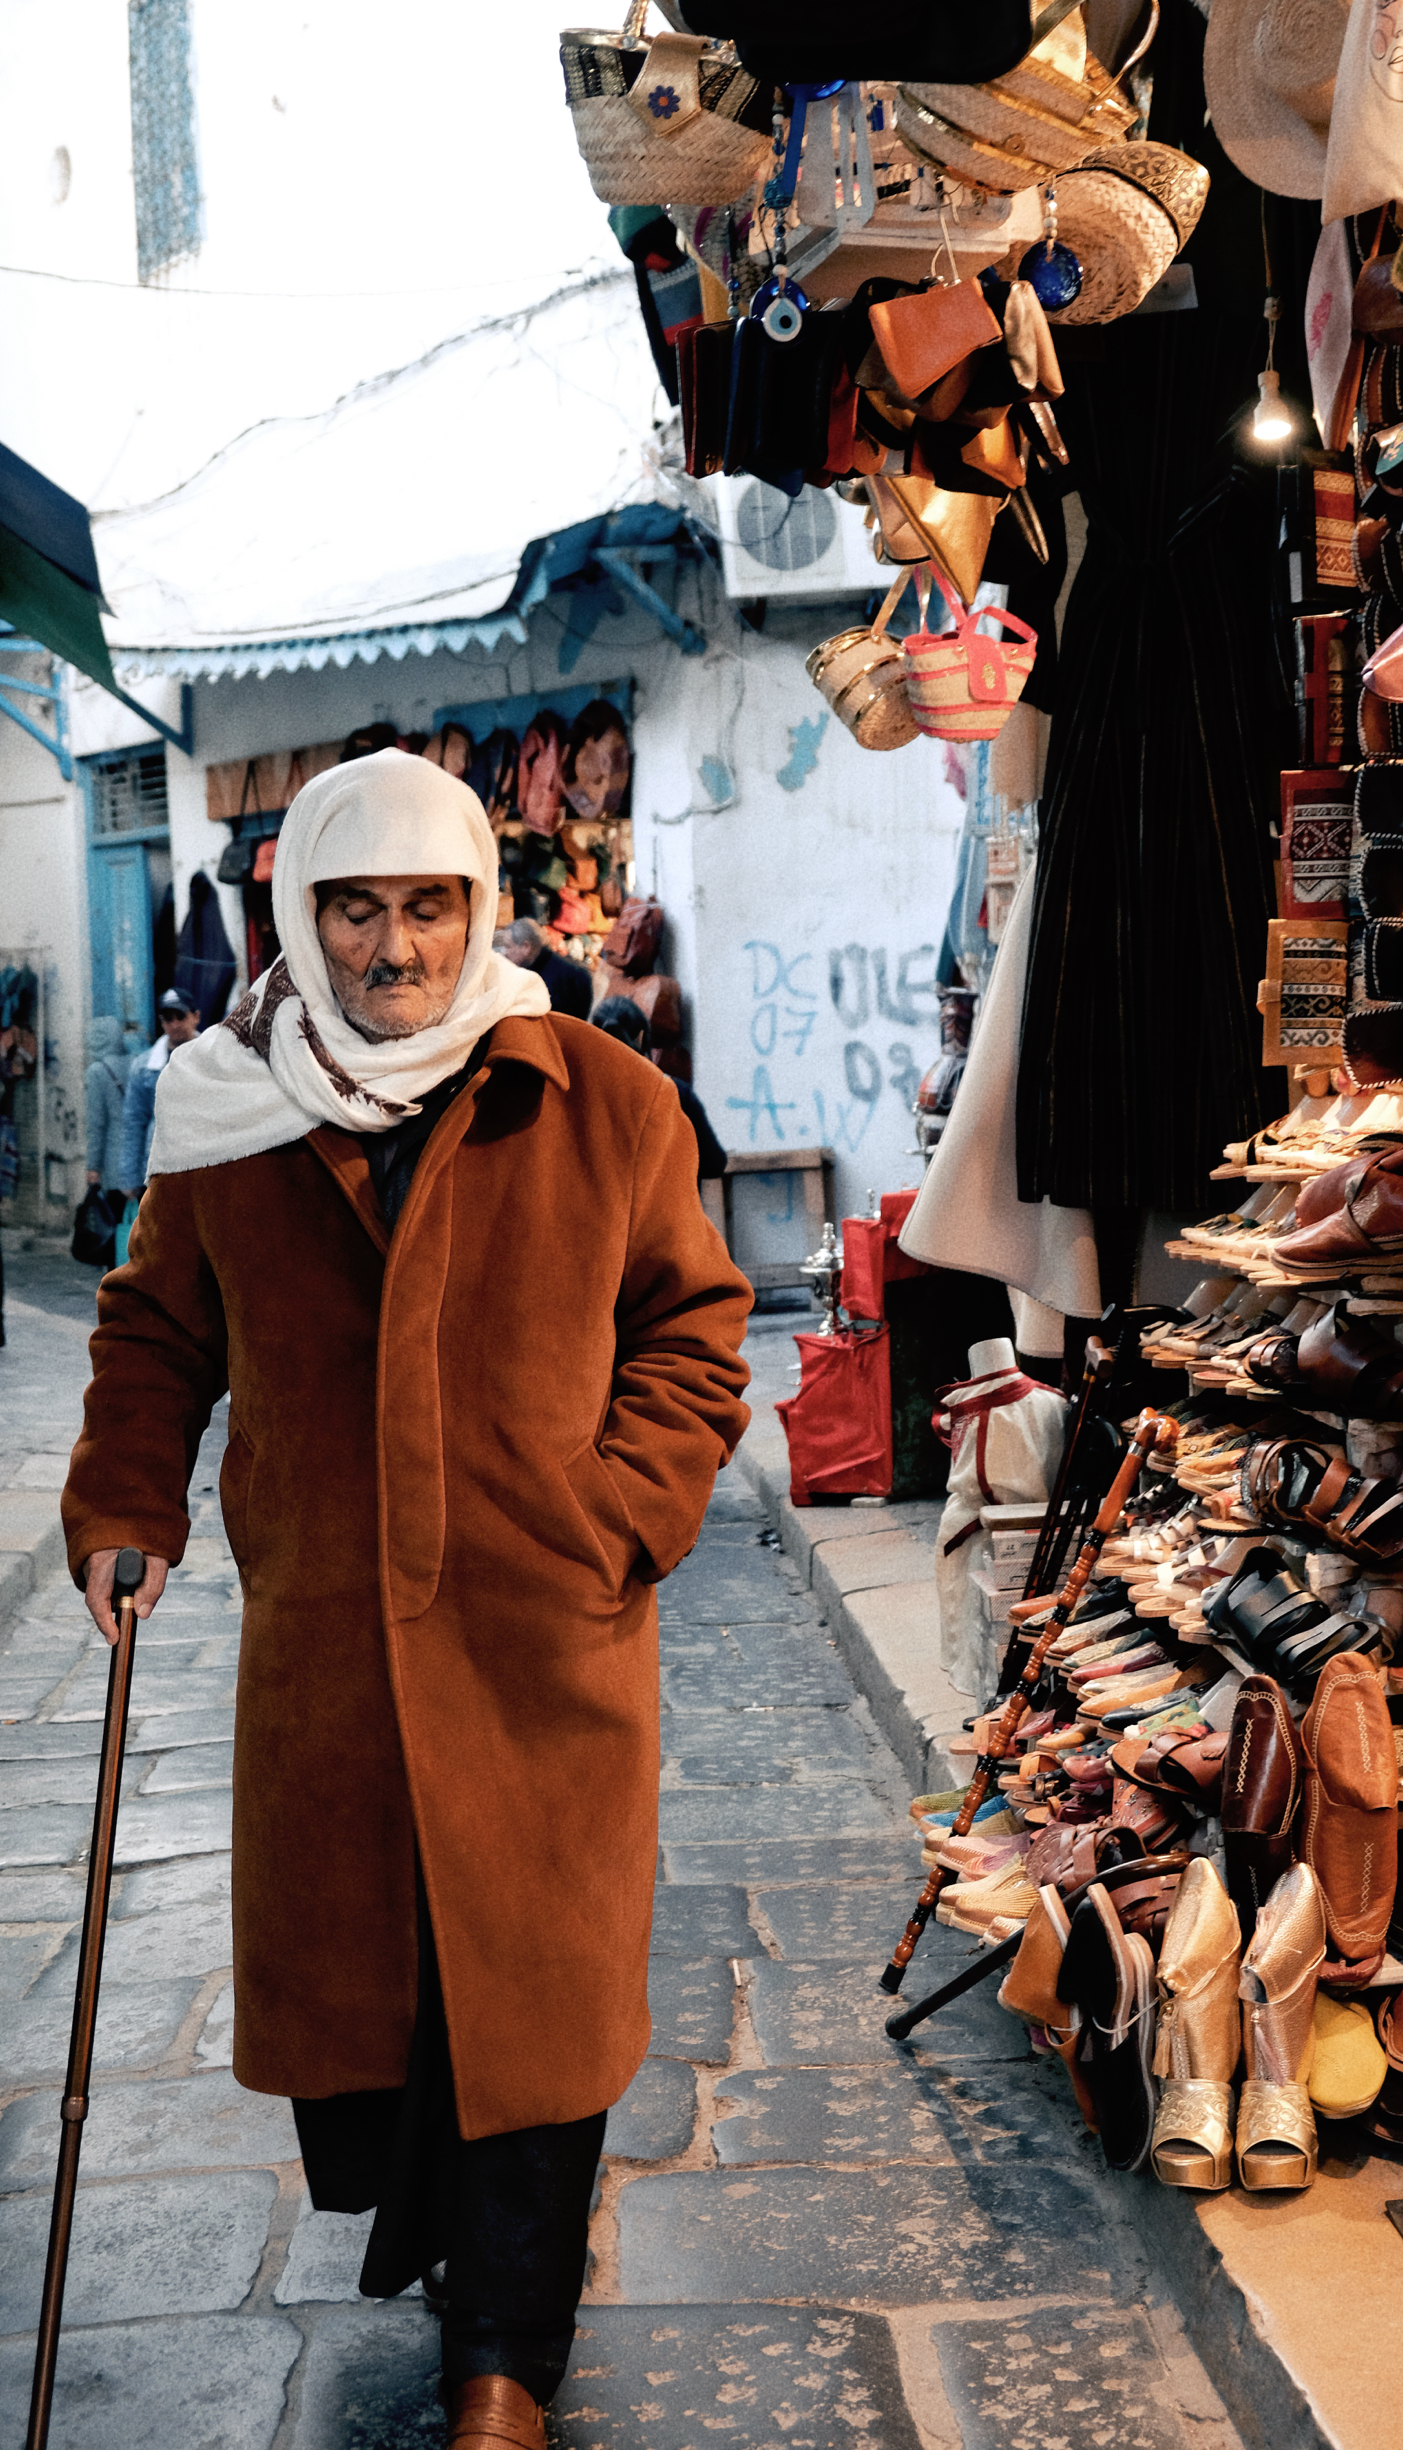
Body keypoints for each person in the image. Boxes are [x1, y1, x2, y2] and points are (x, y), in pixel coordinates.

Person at [61, 751, 751, 2449]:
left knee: (532, 1996)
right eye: (355, 908)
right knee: (385, 2020)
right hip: (335, 1649)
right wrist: (124, 1501)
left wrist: (617, 1515)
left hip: (542, 1636)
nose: (392, 947)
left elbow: (693, 1329)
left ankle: (506, 2352)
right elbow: (158, 1333)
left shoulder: (597, 1102)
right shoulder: (228, 1116)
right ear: (296, 921)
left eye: (425, 906)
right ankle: (457, 2269)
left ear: (478, 910)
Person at [590, 995, 727, 1184]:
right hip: (669, 1209)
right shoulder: (676, 1093)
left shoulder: (582, 1100)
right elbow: (714, 1163)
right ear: (641, 1037)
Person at [116, 986, 200, 1196]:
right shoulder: (144, 1067)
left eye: (180, 1016)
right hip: (161, 1167)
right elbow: (134, 1122)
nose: (174, 1024)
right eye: (167, 1019)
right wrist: (129, 1178)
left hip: (203, 1164)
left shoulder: (212, 1058)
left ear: (196, 1017)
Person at [497, 915, 592, 1020]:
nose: (504, 953)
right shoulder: (565, 969)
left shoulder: (547, 980)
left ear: (526, 947)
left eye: (508, 946)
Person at [82, 1016, 129, 1195]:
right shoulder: (137, 1062)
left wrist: (93, 1166)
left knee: (117, 1220)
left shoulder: (96, 1071)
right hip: (140, 1162)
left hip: (115, 1162)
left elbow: (96, 1124)